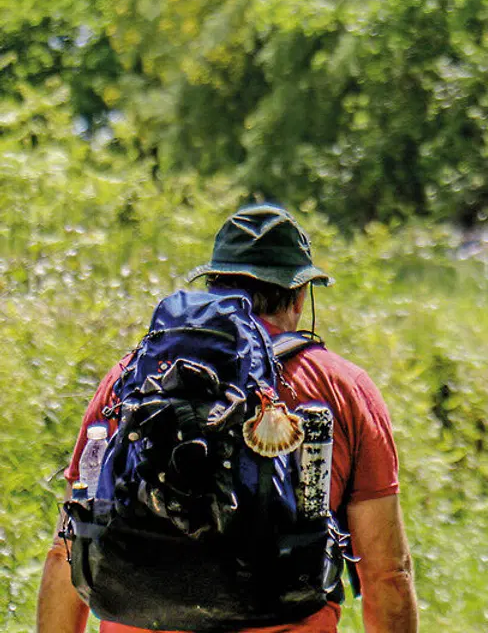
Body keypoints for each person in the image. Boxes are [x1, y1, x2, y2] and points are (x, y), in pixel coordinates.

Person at [36, 205, 419, 633]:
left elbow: (65, 551)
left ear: (214, 286)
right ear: (298, 297)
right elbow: (387, 574)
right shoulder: (343, 387)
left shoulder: (132, 378)